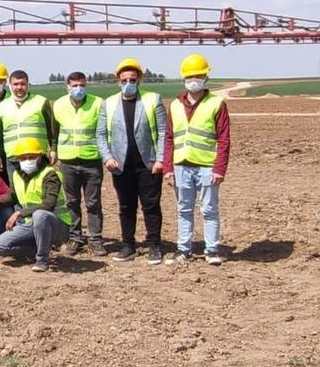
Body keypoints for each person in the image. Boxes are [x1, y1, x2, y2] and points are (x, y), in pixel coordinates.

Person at [97, 57, 168, 265]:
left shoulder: (153, 99)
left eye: (133, 80)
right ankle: (128, 245)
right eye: (124, 80)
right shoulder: (108, 104)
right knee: (126, 206)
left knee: (151, 206)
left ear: (139, 80)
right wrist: (107, 157)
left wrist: (161, 159)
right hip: (121, 166)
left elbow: (163, 131)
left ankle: (154, 244)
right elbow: (100, 134)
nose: (129, 83)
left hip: (148, 164)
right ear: (118, 80)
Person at [164, 54, 231, 266]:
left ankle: (211, 249)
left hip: (207, 167)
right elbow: (169, 138)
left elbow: (224, 139)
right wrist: (168, 168)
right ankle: (184, 250)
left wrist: (219, 168)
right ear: (184, 78)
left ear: (206, 77)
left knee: (209, 210)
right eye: (190, 76)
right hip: (181, 166)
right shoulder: (175, 104)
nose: (194, 79)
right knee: (184, 209)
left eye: (198, 75)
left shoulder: (216, 103)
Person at [0, 138, 72, 272]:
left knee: (40, 215)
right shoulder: (17, 174)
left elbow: (49, 205)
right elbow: (13, 196)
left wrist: (19, 213)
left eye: (32, 157)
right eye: (23, 158)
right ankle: (35, 249)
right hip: (31, 224)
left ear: (40, 156)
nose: (27, 161)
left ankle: (42, 259)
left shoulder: (50, 175)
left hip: (57, 225)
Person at [52, 72, 106, 256]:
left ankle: (96, 239)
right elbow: (55, 131)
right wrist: (53, 150)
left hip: (92, 160)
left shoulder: (98, 103)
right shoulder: (58, 105)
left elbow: (104, 131)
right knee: (71, 202)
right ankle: (75, 238)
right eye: (74, 85)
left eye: (81, 85)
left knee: (93, 202)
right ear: (67, 87)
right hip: (67, 161)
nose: (78, 89)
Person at [0, 70, 57, 168]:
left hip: (36, 156)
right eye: (15, 84)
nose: (19, 87)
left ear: (28, 85)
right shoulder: (2, 105)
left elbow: (52, 130)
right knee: (15, 184)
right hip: (13, 158)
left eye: (23, 84)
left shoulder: (41, 102)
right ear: (10, 86)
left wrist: (53, 150)